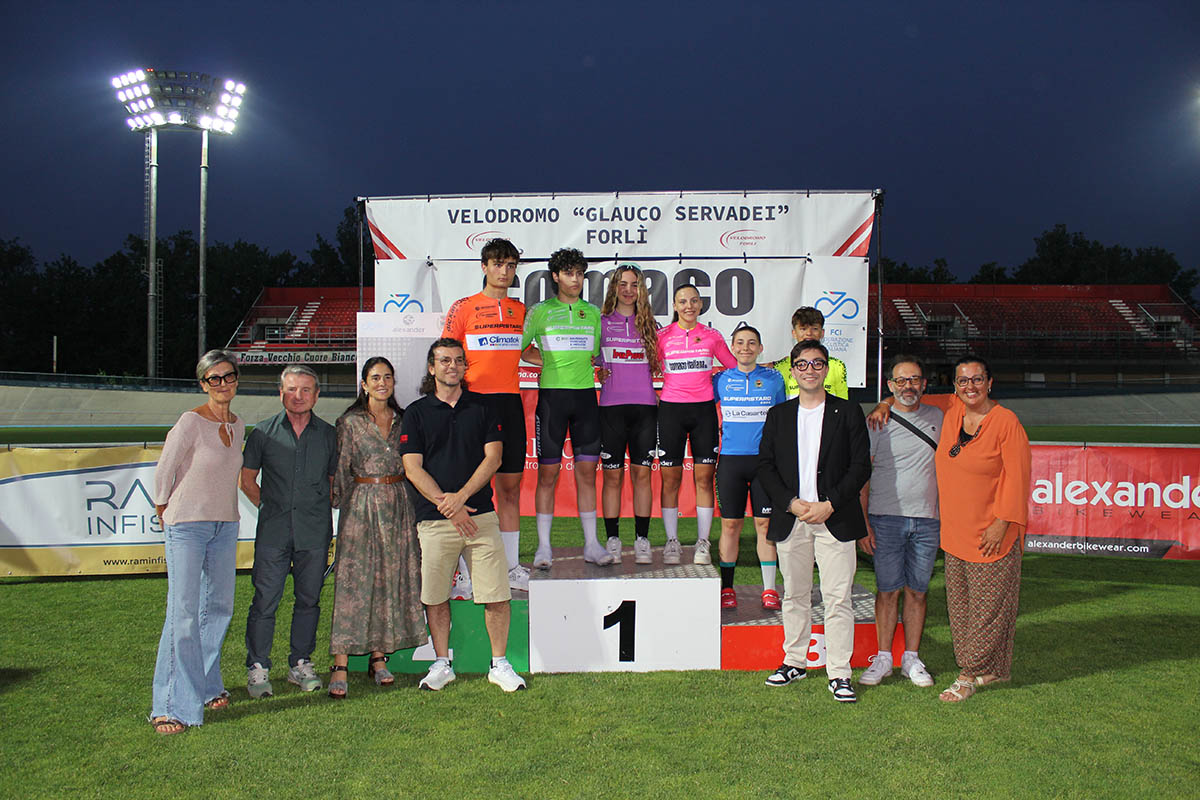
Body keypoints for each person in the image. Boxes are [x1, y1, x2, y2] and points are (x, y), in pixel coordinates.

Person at [401, 338, 527, 692]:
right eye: (444, 360)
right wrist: (449, 505)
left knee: (496, 594)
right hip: (435, 519)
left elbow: (494, 458)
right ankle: (442, 663)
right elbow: (412, 467)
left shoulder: (483, 407)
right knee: (435, 596)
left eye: (458, 360)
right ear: (432, 368)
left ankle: (499, 664)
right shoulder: (416, 413)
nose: (452, 366)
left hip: (480, 516)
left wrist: (461, 498)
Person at [758, 340, 871, 703]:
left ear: (827, 368)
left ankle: (839, 672)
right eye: (803, 364)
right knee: (795, 595)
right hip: (792, 519)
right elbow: (766, 466)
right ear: (793, 371)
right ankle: (794, 661)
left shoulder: (848, 412)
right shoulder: (778, 415)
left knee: (838, 598)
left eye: (817, 363)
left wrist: (830, 504)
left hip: (834, 518)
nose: (810, 370)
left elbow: (860, 466)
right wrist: (790, 503)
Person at [149, 349, 246, 734]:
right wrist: (164, 508)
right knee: (184, 614)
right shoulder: (190, 422)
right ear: (203, 384)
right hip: (186, 525)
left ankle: (205, 686)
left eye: (228, 376)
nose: (222, 384)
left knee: (219, 609)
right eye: (213, 378)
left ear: (236, 379)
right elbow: (165, 470)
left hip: (225, 525)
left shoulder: (238, 425)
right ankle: (169, 705)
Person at [327, 356, 426, 699]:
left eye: (387, 377)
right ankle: (340, 664)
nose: (382, 383)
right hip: (361, 506)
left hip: (398, 505)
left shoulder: (405, 420)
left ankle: (379, 657)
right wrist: (341, 504)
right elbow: (342, 468)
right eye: (375, 378)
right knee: (354, 582)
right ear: (364, 384)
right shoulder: (350, 422)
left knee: (388, 580)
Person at [933, 356, 1030, 702]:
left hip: (991, 532)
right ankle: (994, 669)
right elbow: (912, 394)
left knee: (988, 610)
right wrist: (886, 403)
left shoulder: (1006, 422)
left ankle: (967, 674)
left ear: (990, 383)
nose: (970, 386)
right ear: (954, 386)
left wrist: (1001, 522)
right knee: (961, 608)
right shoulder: (953, 412)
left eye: (977, 379)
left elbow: (1018, 478)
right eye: (963, 381)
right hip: (955, 532)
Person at [240, 365, 337, 698]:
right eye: (292, 389)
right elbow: (247, 481)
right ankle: (258, 667)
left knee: (309, 601)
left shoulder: (329, 435)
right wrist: (271, 508)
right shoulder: (262, 433)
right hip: (274, 533)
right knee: (265, 601)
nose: (298, 396)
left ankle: (300, 663)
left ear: (317, 395)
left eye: (306, 389)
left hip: (314, 533)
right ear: (280, 393)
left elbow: (332, 482)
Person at [441, 237, 530, 592]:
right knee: (469, 488)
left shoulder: (521, 310)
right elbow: (445, 353)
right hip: (472, 404)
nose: (504, 271)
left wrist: (576, 362)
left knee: (510, 488)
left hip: (509, 403)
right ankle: (464, 572)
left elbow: (531, 352)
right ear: (484, 266)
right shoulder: (464, 307)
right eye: (497, 264)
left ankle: (510, 567)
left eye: (510, 265)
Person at [521, 247, 613, 568]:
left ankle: (592, 545)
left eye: (580, 274)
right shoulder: (539, 312)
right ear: (556, 276)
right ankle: (544, 547)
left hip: (586, 398)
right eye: (569, 273)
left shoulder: (593, 313)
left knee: (587, 473)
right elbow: (520, 349)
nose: (575, 279)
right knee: (548, 473)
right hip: (552, 401)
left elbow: (597, 354)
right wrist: (548, 361)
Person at [856, 355, 941, 689]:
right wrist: (863, 523)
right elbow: (863, 476)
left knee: (917, 592)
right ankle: (883, 657)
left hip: (928, 520)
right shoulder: (877, 422)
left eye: (915, 379)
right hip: (885, 518)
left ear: (924, 383)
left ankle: (911, 658)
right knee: (888, 591)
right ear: (890, 384)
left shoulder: (939, 416)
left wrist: (885, 402)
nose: (909, 386)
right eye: (901, 380)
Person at [656, 284, 737, 564]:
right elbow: (644, 368)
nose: (688, 306)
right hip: (671, 411)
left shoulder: (712, 336)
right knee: (670, 480)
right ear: (674, 306)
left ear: (701, 304)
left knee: (704, 479)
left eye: (693, 301)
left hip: (703, 411)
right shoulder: (662, 337)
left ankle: (703, 542)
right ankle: (672, 541)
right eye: (682, 301)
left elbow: (733, 366)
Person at [713, 324, 787, 609]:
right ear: (732, 348)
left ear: (760, 348)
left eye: (752, 343)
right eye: (740, 343)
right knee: (730, 525)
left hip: (764, 463)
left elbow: (782, 416)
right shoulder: (721, 379)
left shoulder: (774, 379)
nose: (746, 347)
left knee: (764, 524)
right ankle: (727, 588)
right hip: (731, 461)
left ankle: (769, 589)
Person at [595, 263, 660, 564]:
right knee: (612, 477)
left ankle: (642, 539)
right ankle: (612, 539)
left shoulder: (651, 326)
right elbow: (585, 358)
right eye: (622, 284)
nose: (628, 290)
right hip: (611, 408)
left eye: (634, 284)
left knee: (642, 475)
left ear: (641, 290)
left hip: (645, 408)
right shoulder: (601, 323)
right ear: (614, 288)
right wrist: (597, 370)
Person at [773, 307, 849, 400]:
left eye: (815, 328)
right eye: (803, 329)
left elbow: (843, 403)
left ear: (822, 333)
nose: (809, 333)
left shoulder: (837, 366)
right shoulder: (779, 367)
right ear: (794, 333)